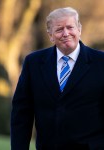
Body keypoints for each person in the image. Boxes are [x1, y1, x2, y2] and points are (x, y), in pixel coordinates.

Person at [10, 7, 104, 150]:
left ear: (79, 29)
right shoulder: (33, 63)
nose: (66, 33)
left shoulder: (100, 63)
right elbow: (22, 114)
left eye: (70, 27)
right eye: (59, 29)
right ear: (50, 35)